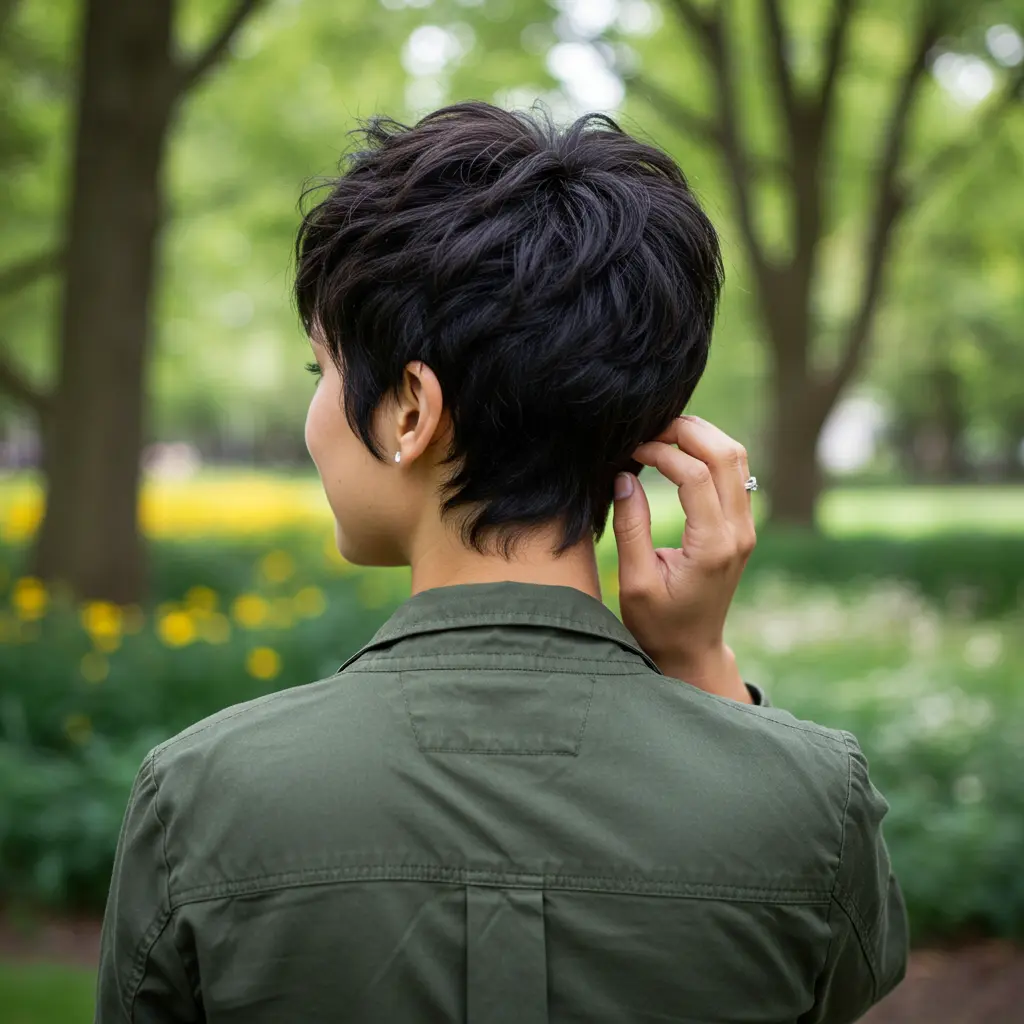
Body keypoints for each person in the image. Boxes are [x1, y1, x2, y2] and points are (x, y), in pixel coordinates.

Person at [95, 100, 908, 1023]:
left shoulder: (205, 796)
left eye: (320, 373)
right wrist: (701, 672)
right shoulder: (812, 802)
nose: (315, 414)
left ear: (410, 409)